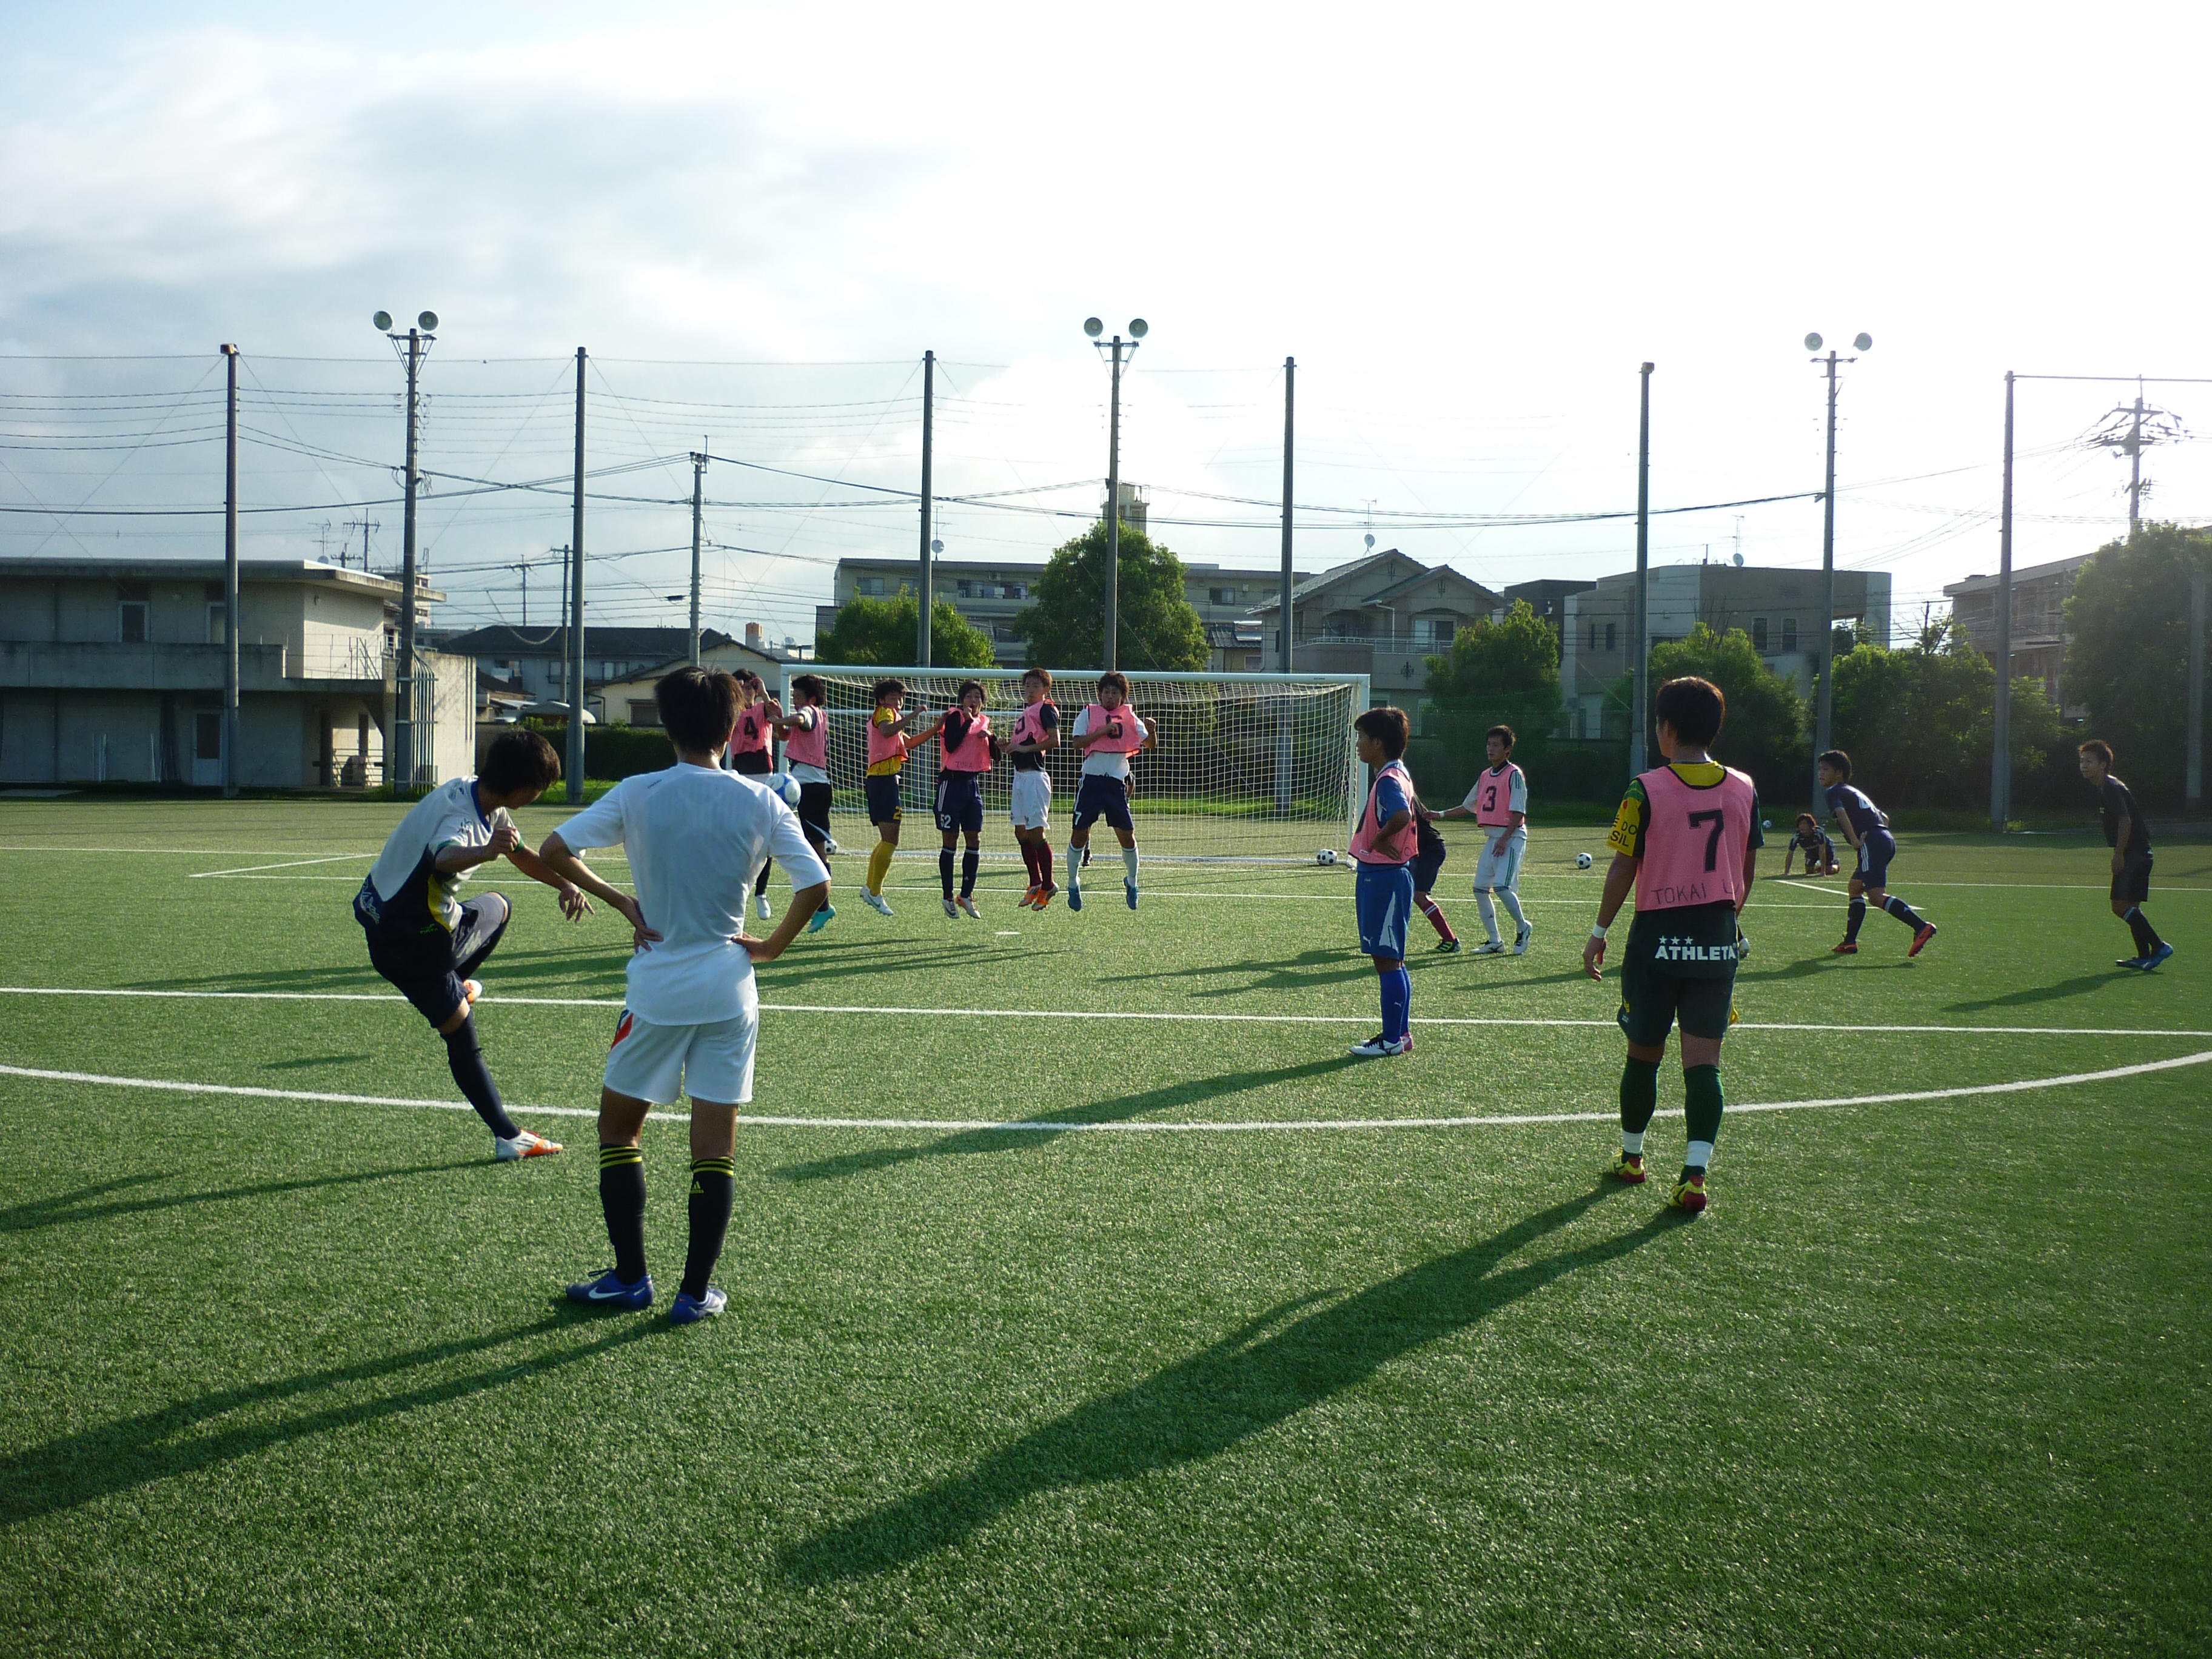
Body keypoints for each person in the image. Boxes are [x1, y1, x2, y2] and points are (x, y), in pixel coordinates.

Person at [540, 666, 829, 1325]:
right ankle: (694, 1292)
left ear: (666, 727)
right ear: (732, 728)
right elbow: (815, 885)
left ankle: (630, 1278)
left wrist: (621, 901)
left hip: (657, 991)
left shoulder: (638, 791)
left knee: (619, 1130)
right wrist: (771, 946)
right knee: (714, 1148)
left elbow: (555, 849)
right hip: (729, 988)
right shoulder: (760, 801)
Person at [352, 728, 640, 1162]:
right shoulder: (465, 822)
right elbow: (444, 855)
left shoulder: (475, 794)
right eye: (541, 788)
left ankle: (456, 985)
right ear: (524, 787)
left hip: (383, 920)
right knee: (461, 1037)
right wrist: (486, 851)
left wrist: (564, 883)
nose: (541, 795)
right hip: (414, 946)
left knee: (497, 907)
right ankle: (509, 1137)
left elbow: (520, 853)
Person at [1583, 676, 1761, 1214]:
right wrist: (1726, 919)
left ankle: (1633, 1158)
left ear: (1668, 729)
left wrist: (1598, 933)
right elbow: (1746, 867)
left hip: (1657, 939)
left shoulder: (1644, 788)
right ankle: (1695, 1176)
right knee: (1704, 1063)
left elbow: (1623, 866)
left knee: (1644, 1053)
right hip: (1716, 937)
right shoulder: (1745, 787)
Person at [1347, 706, 1418, 1058]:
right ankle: (1400, 1034)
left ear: (1378, 742)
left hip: (1384, 877)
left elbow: (1402, 814)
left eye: (1362, 737)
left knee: (1387, 960)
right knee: (1393, 960)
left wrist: (1379, 839)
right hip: (1386, 875)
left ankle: (1392, 1039)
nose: (1358, 744)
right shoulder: (1397, 773)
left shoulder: (1389, 779)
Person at [1818, 751, 1936, 957]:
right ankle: (1850, 942)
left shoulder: (1833, 792)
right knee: (1855, 887)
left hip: (1871, 842)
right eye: (1819, 769)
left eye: (1825, 769)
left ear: (1839, 773)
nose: (1820, 773)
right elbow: (1884, 817)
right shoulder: (1853, 791)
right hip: (1884, 838)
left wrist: (1855, 840)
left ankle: (1920, 926)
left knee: (1876, 896)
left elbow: (1841, 814)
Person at [2079, 740, 2174, 971]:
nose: (2084, 765)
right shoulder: (2105, 787)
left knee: (2119, 907)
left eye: (2089, 761)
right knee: (2131, 908)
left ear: (2103, 765)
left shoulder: (2111, 787)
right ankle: (2143, 956)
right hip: (2140, 854)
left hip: (2134, 855)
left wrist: (2119, 854)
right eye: (2082, 761)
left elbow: (2125, 820)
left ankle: (2160, 946)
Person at [858, 678, 945, 918]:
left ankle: (871, 888)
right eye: (893, 698)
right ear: (882, 700)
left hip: (884, 780)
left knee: (888, 839)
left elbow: (909, 742)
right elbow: (887, 730)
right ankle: (875, 892)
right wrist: (914, 714)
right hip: (882, 780)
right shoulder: (885, 714)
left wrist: (936, 729)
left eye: (900, 698)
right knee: (891, 839)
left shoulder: (893, 718)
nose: (897, 702)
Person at [1065, 671, 1151, 912]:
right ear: (1099, 694)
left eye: (1115, 693)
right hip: (1091, 782)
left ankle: (1132, 882)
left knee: (1127, 836)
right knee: (1079, 834)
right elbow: (1076, 743)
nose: (1110, 697)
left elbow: (1149, 744)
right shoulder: (1088, 713)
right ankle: (1072, 883)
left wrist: (1152, 731)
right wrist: (1102, 732)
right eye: (1106, 692)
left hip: (1116, 783)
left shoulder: (1130, 717)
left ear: (1123, 696)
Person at [1440, 725, 1530, 954]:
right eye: (1489, 744)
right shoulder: (1485, 775)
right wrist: (1439, 815)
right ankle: (1495, 941)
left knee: (1501, 886)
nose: (1491, 749)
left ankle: (1523, 927)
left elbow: (1518, 812)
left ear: (1507, 750)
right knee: (1480, 889)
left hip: (1512, 837)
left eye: (1496, 745)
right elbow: (1469, 805)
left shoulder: (1514, 775)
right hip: (1493, 838)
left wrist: (1505, 839)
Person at [774, 673, 836, 935]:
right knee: (812, 846)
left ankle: (824, 907)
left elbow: (801, 720)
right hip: (811, 786)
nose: (795, 700)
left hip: (811, 787)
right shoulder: (818, 714)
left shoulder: (809, 711)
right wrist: (778, 720)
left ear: (810, 698)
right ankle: (821, 905)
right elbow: (785, 736)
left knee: (817, 850)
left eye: (797, 696)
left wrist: (779, 719)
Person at [933, 679, 996, 919]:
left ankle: (966, 894)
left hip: (972, 786)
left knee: (974, 839)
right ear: (962, 701)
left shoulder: (985, 722)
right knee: (950, 840)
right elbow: (951, 744)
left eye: (977, 697)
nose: (973, 701)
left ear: (983, 703)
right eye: (969, 696)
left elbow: (995, 756)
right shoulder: (955, 717)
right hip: (951, 785)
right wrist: (968, 721)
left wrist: (993, 739)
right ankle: (947, 896)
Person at [725, 671, 781, 922]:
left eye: (751, 686)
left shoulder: (763, 708)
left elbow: (776, 718)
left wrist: (764, 692)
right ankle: (741, 889)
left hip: (764, 771)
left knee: (765, 837)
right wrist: (733, 693)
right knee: (742, 835)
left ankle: (761, 893)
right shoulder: (732, 711)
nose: (747, 690)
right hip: (741, 772)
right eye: (743, 686)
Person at [1008, 666, 1061, 909]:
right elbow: (1021, 744)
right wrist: (1007, 746)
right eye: (1027, 686)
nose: (1030, 690)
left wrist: (1025, 749)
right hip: (1020, 777)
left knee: (1036, 832)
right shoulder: (1026, 712)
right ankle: (1035, 882)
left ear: (1046, 689)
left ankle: (1049, 884)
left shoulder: (1045, 708)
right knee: (1020, 832)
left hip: (1035, 779)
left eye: (1035, 686)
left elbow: (1054, 740)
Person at [1409, 797, 1458, 952]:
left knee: (1419, 895)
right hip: (1420, 850)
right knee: (1402, 891)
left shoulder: (1401, 796)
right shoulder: (1404, 794)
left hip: (1430, 850)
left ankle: (1450, 940)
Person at [1778, 811, 1840, 877]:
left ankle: (1836, 864)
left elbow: (1822, 852)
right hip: (1811, 852)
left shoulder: (1818, 834)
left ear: (1810, 825)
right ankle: (1819, 865)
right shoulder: (1797, 836)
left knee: (1829, 871)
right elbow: (1790, 854)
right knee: (1809, 871)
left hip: (1827, 849)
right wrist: (1786, 872)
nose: (1802, 827)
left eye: (1805, 824)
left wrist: (1823, 872)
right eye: (1800, 824)